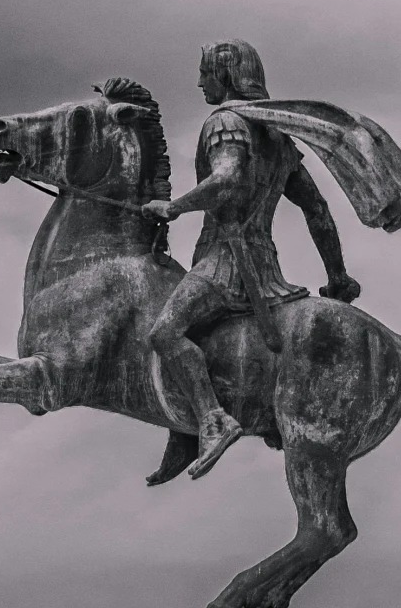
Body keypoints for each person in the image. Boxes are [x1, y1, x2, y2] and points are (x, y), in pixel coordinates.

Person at [142, 40, 362, 480]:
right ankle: (182, 430)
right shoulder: (277, 137)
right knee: (194, 333)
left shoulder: (225, 121)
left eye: (205, 73)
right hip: (267, 269)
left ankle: (211, 419)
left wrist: (174, 207)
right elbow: (316, 210)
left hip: (225, 264)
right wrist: (337, 276)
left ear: (224, 76)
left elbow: (227, 177)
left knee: (165, 334)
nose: (200, 81)